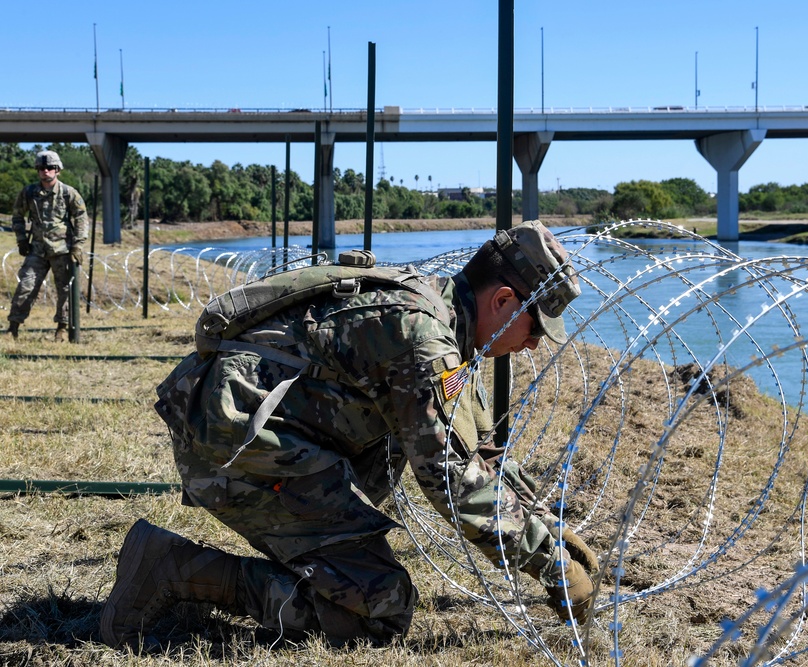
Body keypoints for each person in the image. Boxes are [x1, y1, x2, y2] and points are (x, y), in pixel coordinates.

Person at [101, 220, 601, 651]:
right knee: (379, 610)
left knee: (367, 564)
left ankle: (318, 553)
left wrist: (544, 524)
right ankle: (173, 567)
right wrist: (547, 562)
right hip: (234, 452)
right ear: (504, 300)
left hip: (268, 444)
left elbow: (473, 448)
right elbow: (451, 479)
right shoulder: (426, 342)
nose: (534, 343)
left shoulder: (438, 315)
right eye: (536, 327)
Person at [7, 150, 89, 342]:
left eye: (50, 168)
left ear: (57, 170)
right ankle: (13, 327)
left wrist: (77, 247)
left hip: (62, 251)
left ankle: (62, 327)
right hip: (37, 249)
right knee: (25, 286)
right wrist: (21, 239)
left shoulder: (69, 193)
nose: (46, 171)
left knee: (65, 291)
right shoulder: (29, 193)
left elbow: (81, 219)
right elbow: (17, 215)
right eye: (42, 168)